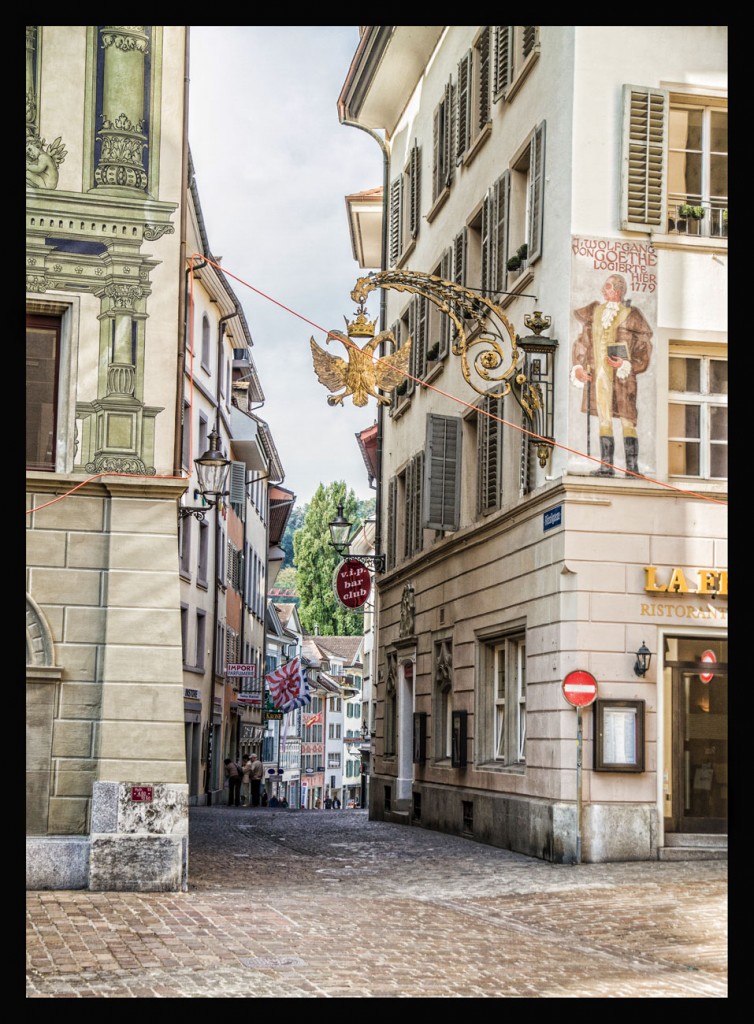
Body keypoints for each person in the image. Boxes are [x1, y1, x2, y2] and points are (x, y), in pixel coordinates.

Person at [571, 273, 653, 476]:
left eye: (607, 287)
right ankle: (606, 466)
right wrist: (579, 366)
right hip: (599, 374)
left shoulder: (632, 315)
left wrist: (626, 363)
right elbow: (583, 342)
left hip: (623, 377)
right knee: (604, 418)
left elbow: (643, 348)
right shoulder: (595, 312)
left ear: (618, 290)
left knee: (627, 419)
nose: (603, 290)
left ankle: (632, 469)